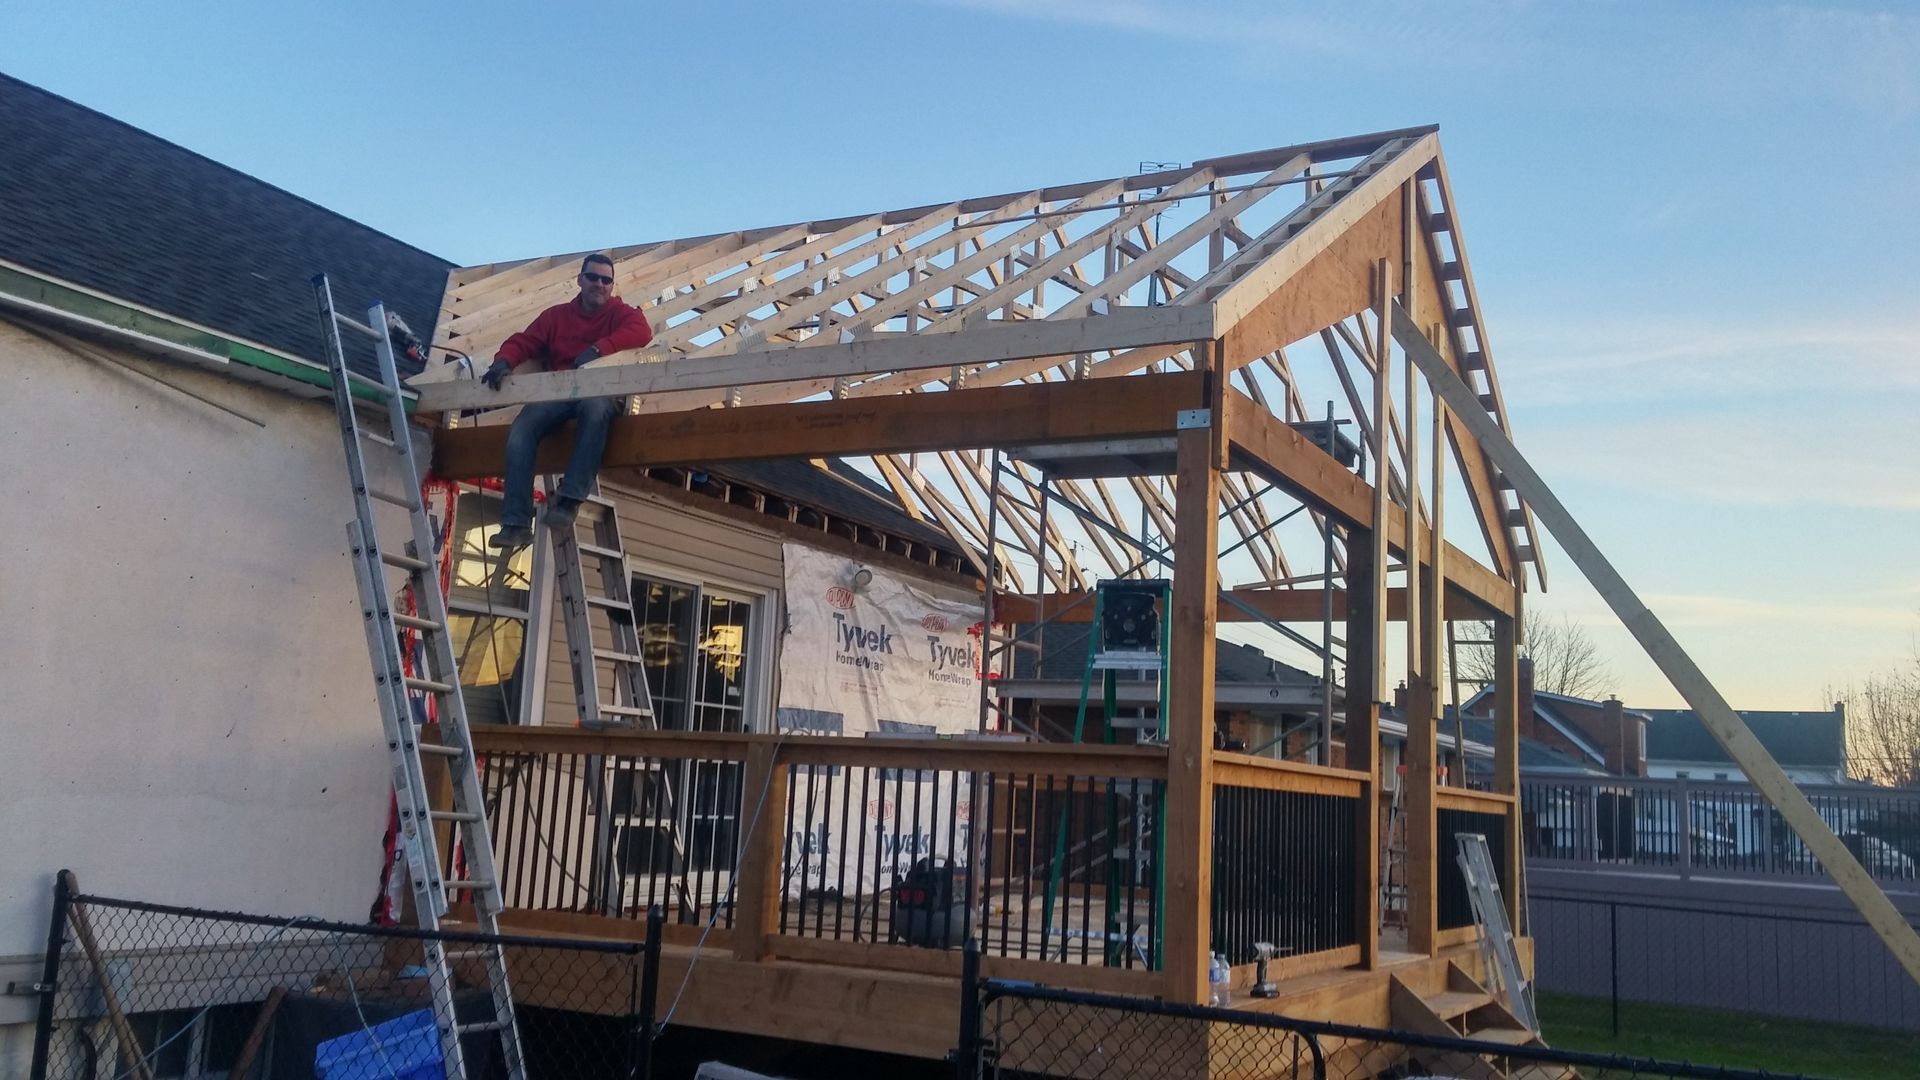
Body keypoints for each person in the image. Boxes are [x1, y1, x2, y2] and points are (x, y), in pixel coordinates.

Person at [481, 253, 654, 549]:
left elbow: (642, 332)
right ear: (580, 280)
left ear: (612, 286)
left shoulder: (620, 313)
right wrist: (503, 361)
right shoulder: (557, 316)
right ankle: (516, 524)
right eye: (593, 277)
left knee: (596, 407)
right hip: (559, 394)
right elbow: (524, 341)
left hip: (598, 391)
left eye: (606, 280)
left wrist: (600, 349)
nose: (599, 284)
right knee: (522, 430)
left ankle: (569, 500)